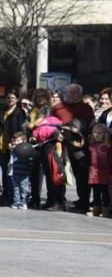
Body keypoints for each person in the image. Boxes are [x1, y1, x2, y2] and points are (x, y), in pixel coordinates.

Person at [51, 83, 95, 213]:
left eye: (75, 92)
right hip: (60, 144)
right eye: (69, 92)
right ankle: (59, 201)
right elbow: (50, 123)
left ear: (80, 95)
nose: (71, 94)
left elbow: (90, 125)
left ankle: (83, 201)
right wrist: (55, 133)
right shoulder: (58, 107)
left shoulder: (86, 108)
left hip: (78, 146)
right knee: (59, 172)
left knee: (82, 174)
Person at [88, 124, 111, 217]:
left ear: (104, 134)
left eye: (99, 133)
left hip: (105, 173)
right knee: (96, 192)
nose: (96, 135)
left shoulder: (108, 146)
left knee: (105, 192)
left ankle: (105, 209)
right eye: (94, 133)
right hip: (94, 173)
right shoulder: (91, 146)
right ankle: (96, 210)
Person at [8, 131, 34, 210]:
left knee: (24, 189)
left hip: (24, 174)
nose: (16, 143)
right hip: (15, 173)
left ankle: (24, 202)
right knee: (16, 188)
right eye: (15, 141)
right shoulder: (14, 151)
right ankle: (16, 202)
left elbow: (30, 160)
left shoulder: (26, 151)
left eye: (18, 141)